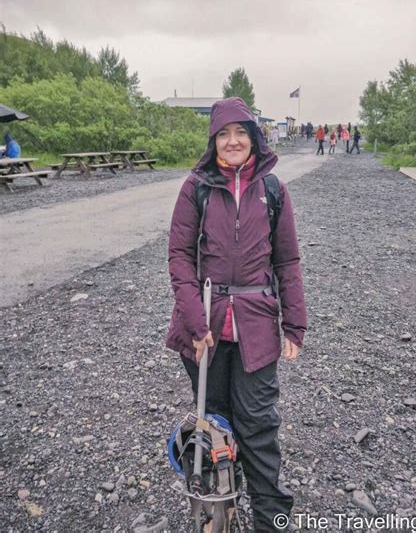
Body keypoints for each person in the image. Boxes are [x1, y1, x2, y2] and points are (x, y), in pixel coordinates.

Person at [166, 97, 307, 531]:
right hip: (202, 331)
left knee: (259, 429)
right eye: (223, 134)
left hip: (257, 329)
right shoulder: (196, 187)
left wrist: (294, 324)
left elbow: (287, 262)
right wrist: (195, 321)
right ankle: (217, 512)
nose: (232, 141)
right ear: (213, 140)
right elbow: (180, 257)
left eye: (240, 133)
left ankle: (270, 520)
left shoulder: (272, 190)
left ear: (254, 138)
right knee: (215, 428)